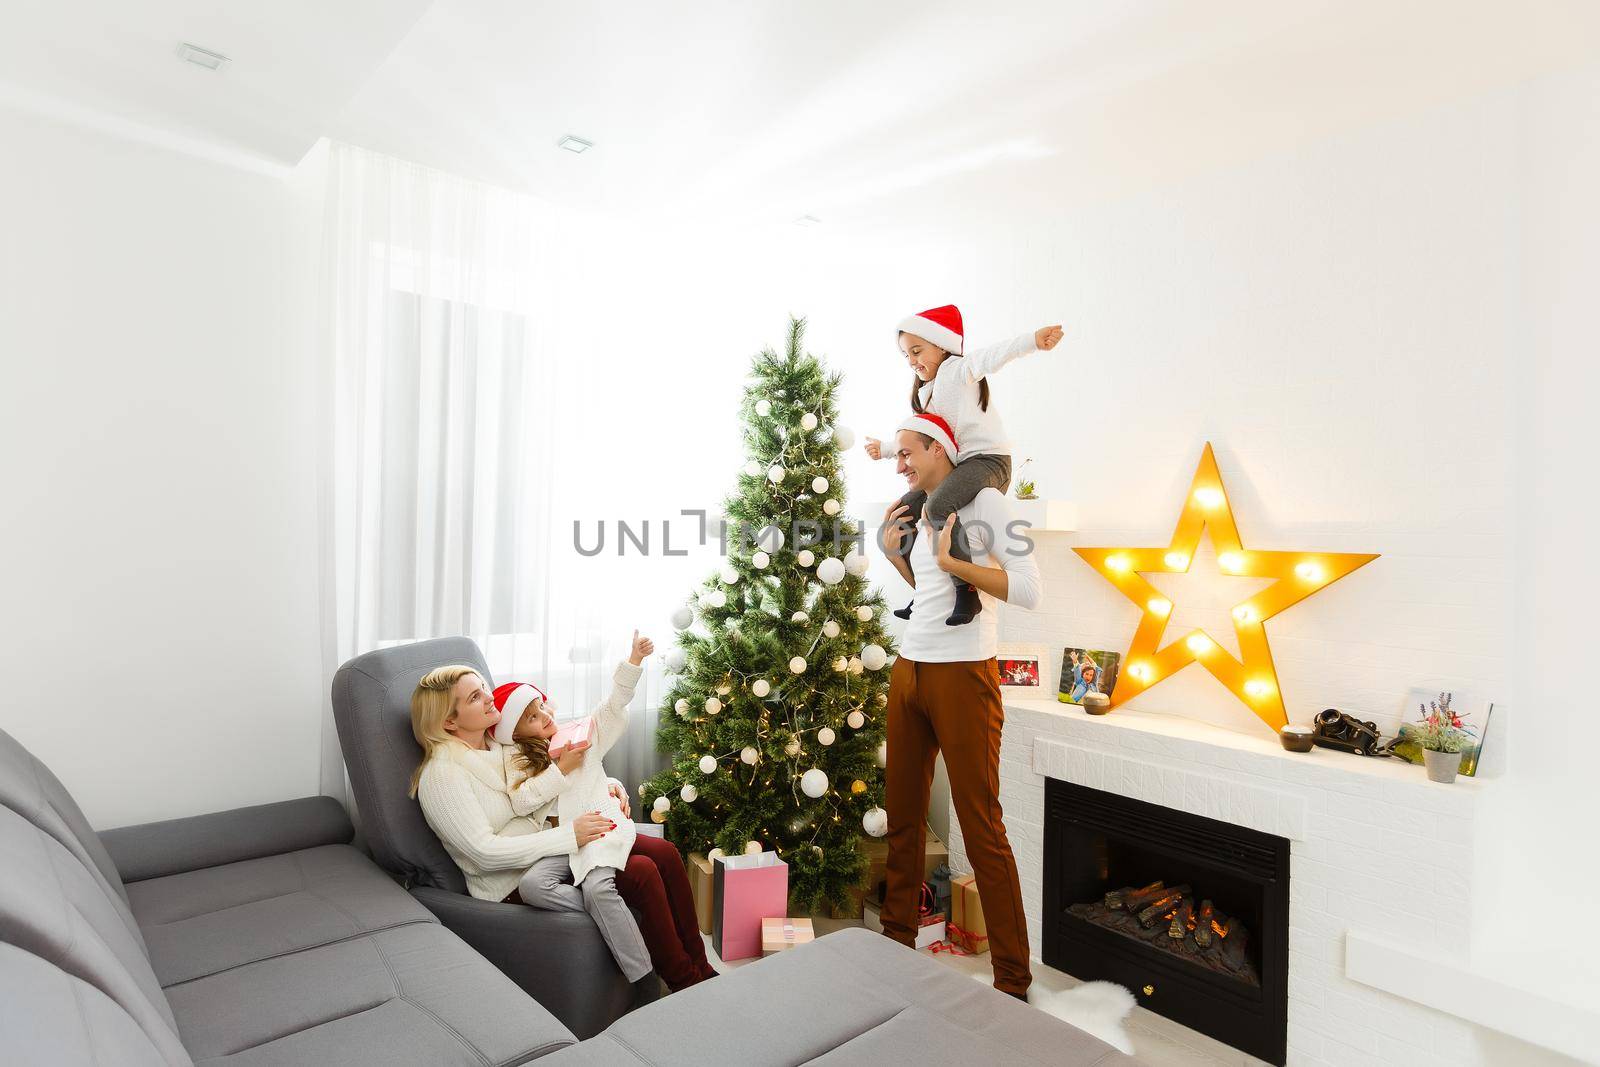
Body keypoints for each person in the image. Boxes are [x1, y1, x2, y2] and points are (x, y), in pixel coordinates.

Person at [408, 643, 715, 991]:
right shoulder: (442, 776)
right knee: (642, 872)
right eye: (476, 697)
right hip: (515, 880)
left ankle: (701, 967)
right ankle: (684, 982)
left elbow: (547, 780)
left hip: (557, 849)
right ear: (449, 721)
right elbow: (484, 853)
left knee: (664, 853)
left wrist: (607, 783)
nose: (489, 697)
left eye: (483, 688)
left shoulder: (498, 746)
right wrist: (571, 835)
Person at [877, 414, 1043, 1000]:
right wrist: (898, 554)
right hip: (910, 669)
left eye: (907, 453)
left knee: (981, 827)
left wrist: (954, 564)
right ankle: (896, 952)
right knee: (903, 820)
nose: (899, 465)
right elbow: (927, 594)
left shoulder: (989, 504)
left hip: (965, 673)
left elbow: (1028, 589)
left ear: (939, 447)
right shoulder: (922, 509)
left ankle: (1013, 982)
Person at [863, 304, 1063, 625]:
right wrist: (887, 449)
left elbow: (995, 355)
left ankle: (966, 591)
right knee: (906, 508)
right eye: (906, 356)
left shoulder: (958, 371)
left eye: (917, 351)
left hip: (989, 462)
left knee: (938, 504)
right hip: (962, 467)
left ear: (941, 345)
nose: (912, 361)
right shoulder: (925, 393)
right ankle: (925, 591)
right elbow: (921, 438)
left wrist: (1033, 341)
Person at [488, 631, 654, 983]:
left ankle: (643, 976)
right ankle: (606, 917)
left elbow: (611, 708)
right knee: (533, 887)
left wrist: (633, 662)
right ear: (515, 734)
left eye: (542, 707)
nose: (545, 717)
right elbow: (521, 801)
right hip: (560, 840)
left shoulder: (580, 735)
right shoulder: (516, 759)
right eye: (532, 718)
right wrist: (560, 769)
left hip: (596, 829)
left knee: (598, 889)